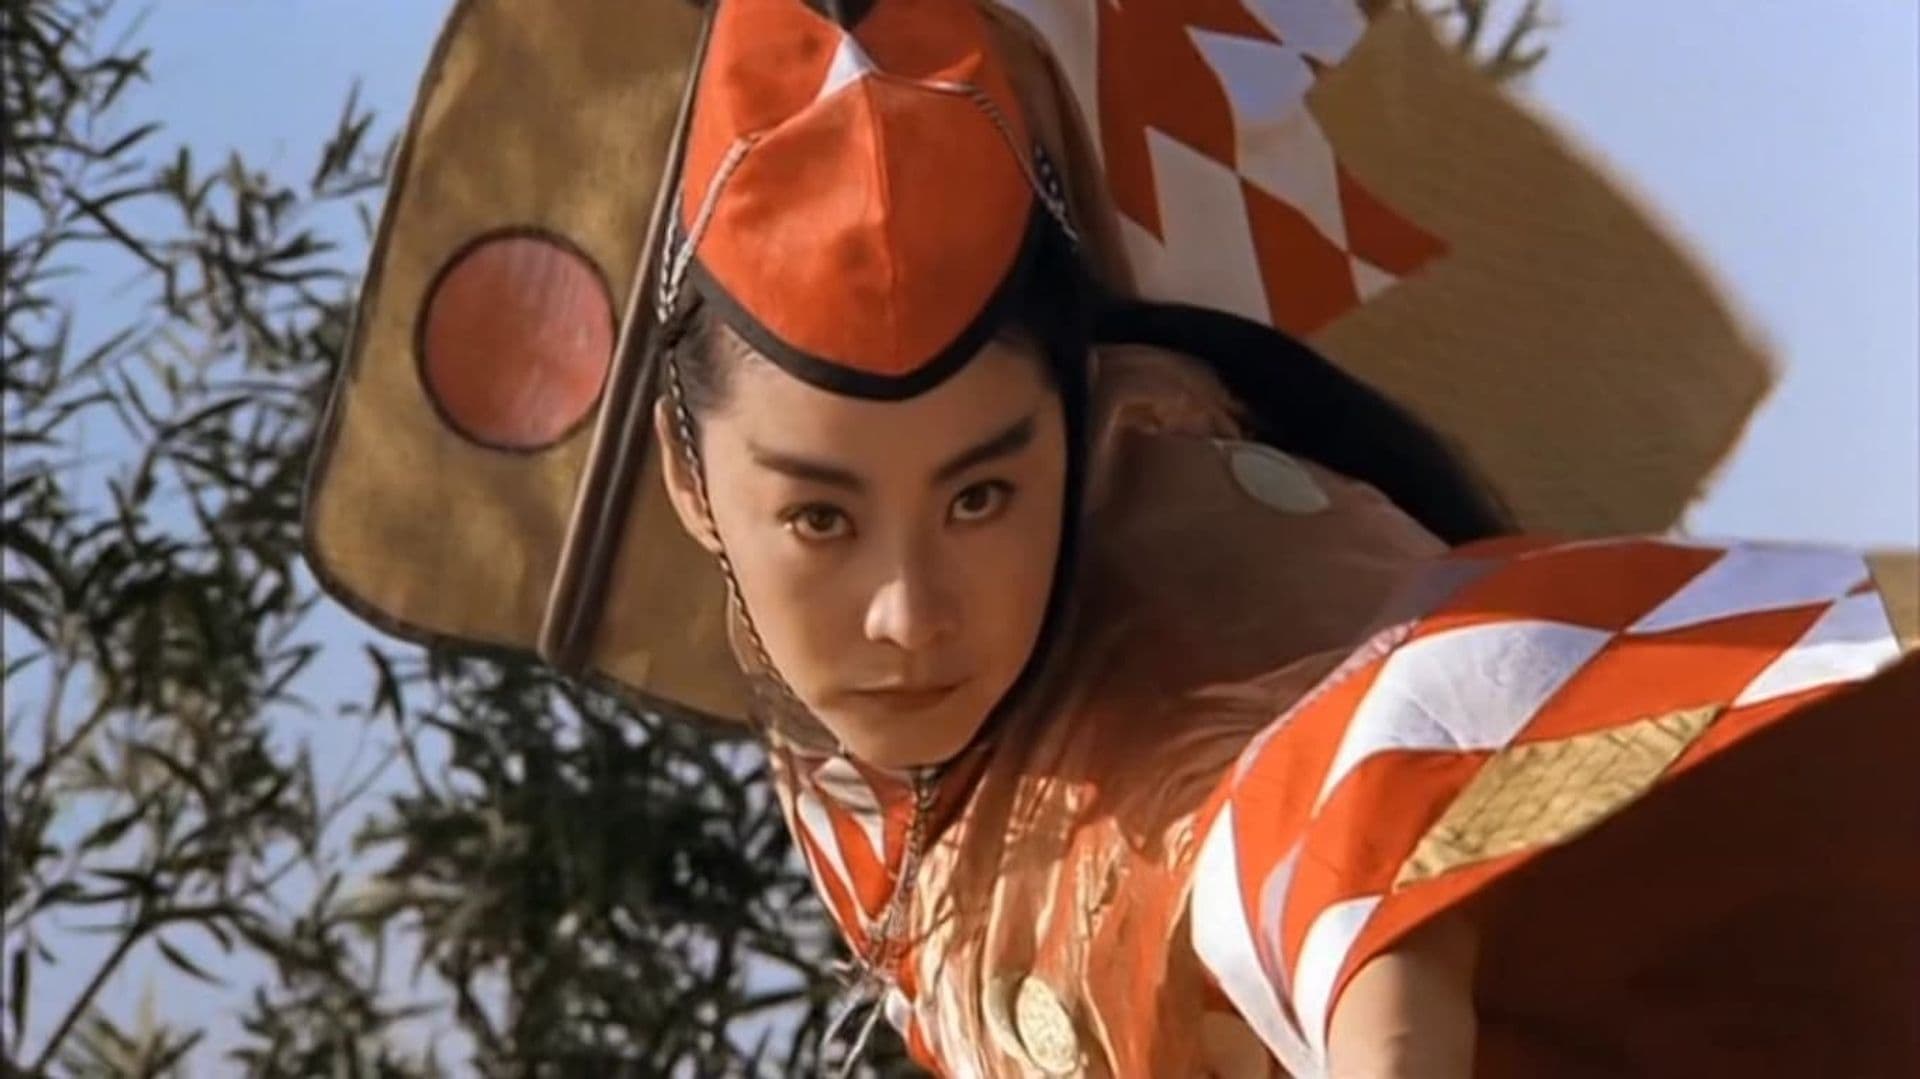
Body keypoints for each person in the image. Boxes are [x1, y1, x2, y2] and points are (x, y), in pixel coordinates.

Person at [304, 0, 1920, 1073]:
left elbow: (1349, 765)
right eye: (819, 515)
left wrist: (1371, 982)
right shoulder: (849, 719)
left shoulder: (1166, 494)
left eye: (983, 494)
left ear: (1079, 417)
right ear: (683, 473)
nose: (909, 611)